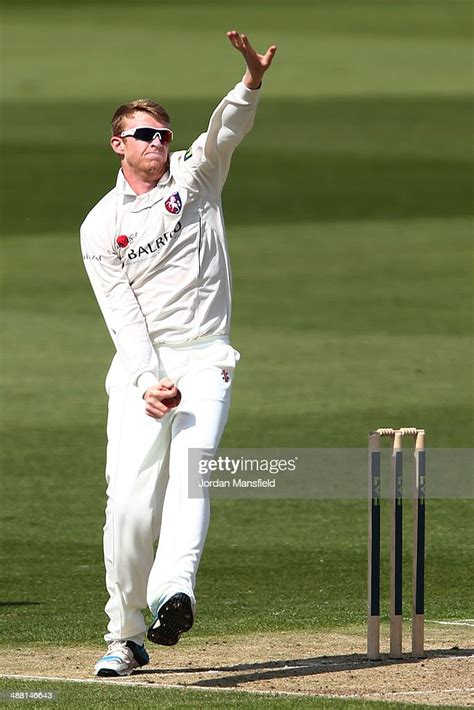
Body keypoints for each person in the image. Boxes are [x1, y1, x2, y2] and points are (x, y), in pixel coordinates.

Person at [80, 31, 276, 677]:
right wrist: (146, 379)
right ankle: (125, 635)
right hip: (143, 368)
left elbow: (224, 132)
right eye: (144, 135)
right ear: (118, 144)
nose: (158, 144)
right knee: (131, 504)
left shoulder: (196, 178)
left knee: (195, 469)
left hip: (207, 356)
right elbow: (122, 315)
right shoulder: (101, 225)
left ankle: (174, 593)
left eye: (163, 133)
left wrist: (247, 85)